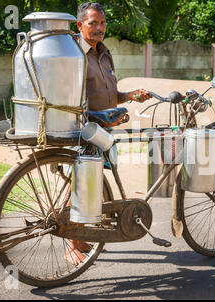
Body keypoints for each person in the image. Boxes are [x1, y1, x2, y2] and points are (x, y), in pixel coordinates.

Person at [65, 2, 152, 265]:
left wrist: (129, 96)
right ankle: (71, 244)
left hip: (104, 130)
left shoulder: (104, 53)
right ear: (80, 25)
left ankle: (83, 236)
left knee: (93, 183)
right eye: (93, 23)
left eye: (102, 23)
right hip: (83, 129)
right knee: (75, 185)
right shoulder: (73, 54)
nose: (99, 28)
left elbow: (111, 93)